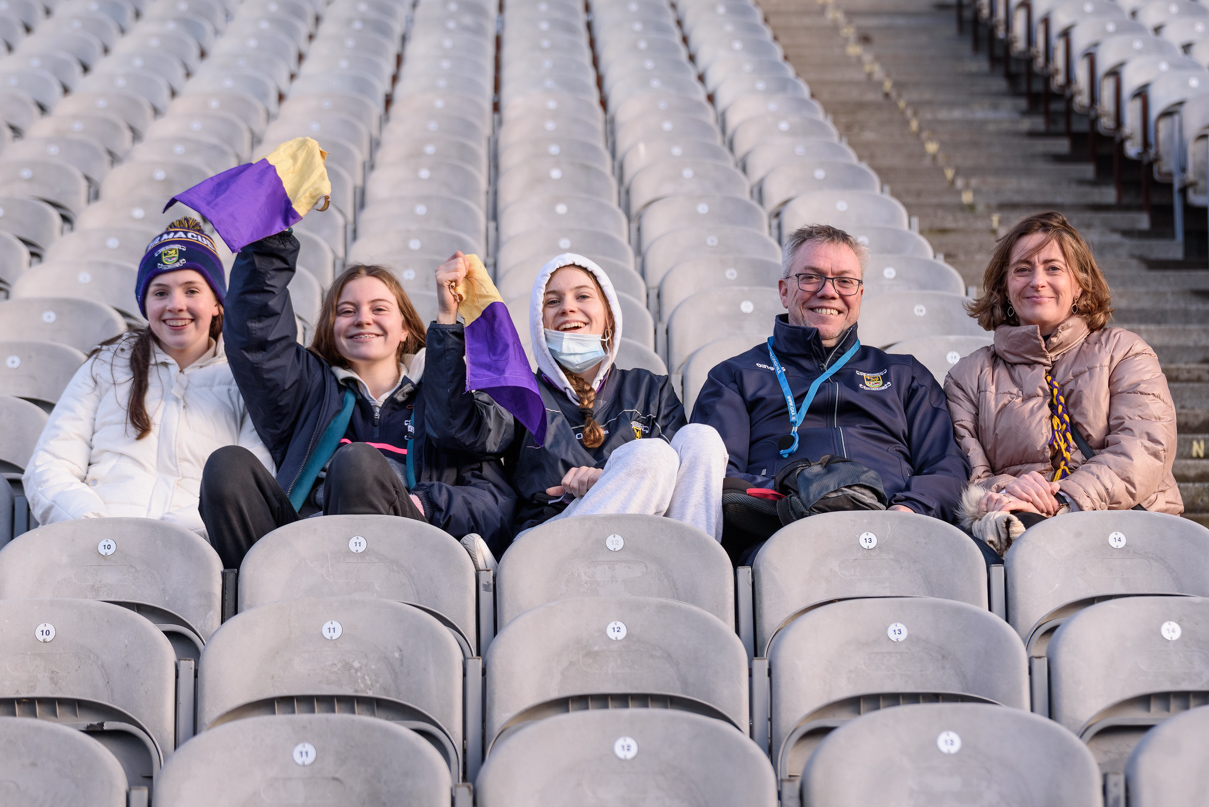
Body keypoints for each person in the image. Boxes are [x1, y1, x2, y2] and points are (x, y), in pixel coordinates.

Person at [198, 230, 515, 569]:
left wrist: (426, 504)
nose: (363, 318)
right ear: (332, 329)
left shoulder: (448, 401)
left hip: (401, 560)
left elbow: (494, 503)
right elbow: (257, 337)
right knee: (227, 467)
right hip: (299, 556)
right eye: (347, 311)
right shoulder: (308, 392)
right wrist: (268, 236)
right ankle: (258, 605)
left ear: (405, 328)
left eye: (379, 308)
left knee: (356, 464)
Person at [691, 223, 970, 558]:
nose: (828, 291)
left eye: (845, 281)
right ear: (783, 290)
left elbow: (947, 467)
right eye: (811, 277)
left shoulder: (905, 374)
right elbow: (718, 476)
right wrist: (797, 497)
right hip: (785, 537)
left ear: (860, 295)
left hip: (898, 528)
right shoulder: (734, 376)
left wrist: (908, 512)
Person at [424, 252, 727, 542]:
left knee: (701, 438)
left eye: (582, 296)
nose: (567, 308)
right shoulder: (522, 392)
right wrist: (448, 318)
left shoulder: (652, 389)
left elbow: (677, 486)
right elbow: (455, 430)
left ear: (609, 316)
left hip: (644, 540)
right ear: (539, 324)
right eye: (552, 301)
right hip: (549, 540)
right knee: (652, 455)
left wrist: (606, 480)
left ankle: (694, 568)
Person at [945, 211, 1182, 553]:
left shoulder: (1125, 352)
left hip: (1131, 531)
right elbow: (971, 475)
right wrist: (1014, 491)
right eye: (1022, 269)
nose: (1037, 281)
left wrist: (1064, 499)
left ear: (1080, 285)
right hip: (1023, 533)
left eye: (1053, 268)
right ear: (1004, 288)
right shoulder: (968, 376)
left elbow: (1144, 448)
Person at [23, 217, 271, 534]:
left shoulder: (246, 380)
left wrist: (171, 539)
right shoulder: (106, 366)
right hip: (94, 545)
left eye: (191, 290)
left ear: (216, 303)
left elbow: (251, 482)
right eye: (160, 293)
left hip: (193, 556)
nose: (175, 305)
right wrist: (90, 525)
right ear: (145, 302)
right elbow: (49, 465)